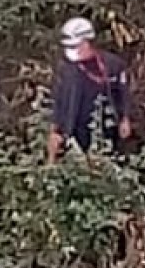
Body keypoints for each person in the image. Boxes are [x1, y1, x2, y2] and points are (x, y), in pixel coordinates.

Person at [48, 18, 132, 163]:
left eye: (76, 46)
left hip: (105, 130)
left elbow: (123, 93)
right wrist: (55, 131)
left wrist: (125, 118)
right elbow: (59, 100)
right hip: (75, 132)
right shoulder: (67, 69)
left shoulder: (113, 65)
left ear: (87, 43)